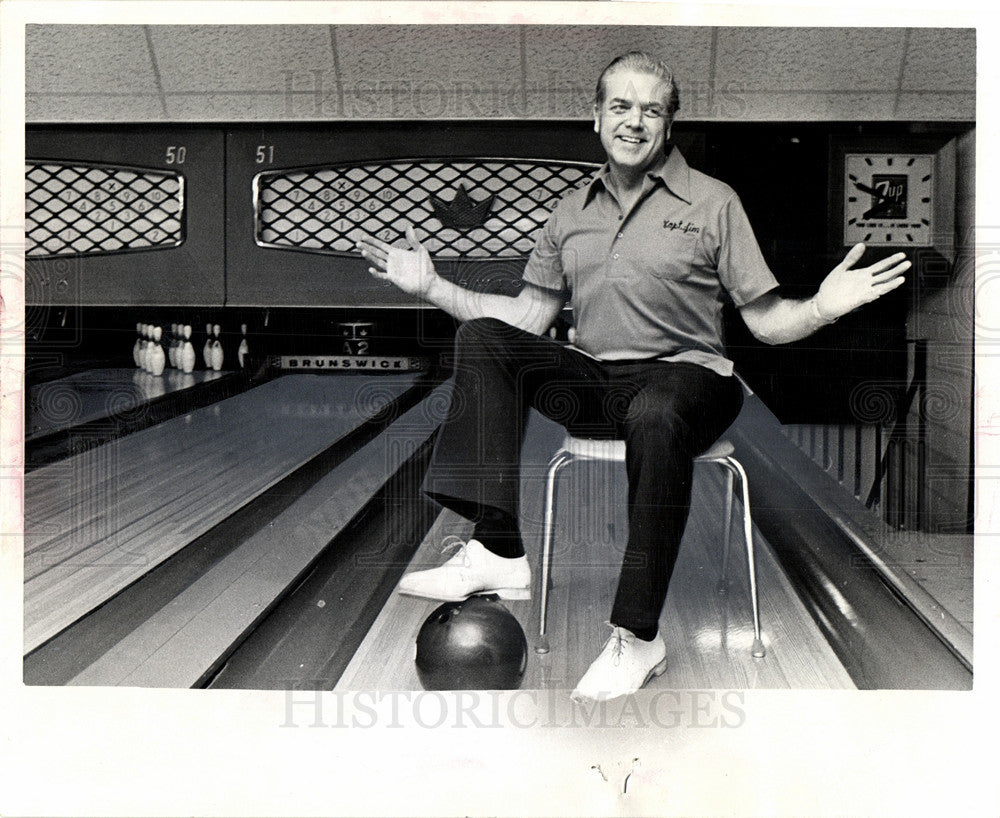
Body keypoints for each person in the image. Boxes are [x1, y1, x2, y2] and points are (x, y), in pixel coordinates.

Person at [357, 51, 909, 701]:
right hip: (599, 380)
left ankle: (638, 639)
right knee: (483, 336)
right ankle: (499, 551)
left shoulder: (714, 203)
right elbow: (529, 318)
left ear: (668, 126)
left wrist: (820, 306)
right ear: (597, 117)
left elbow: (764, 322)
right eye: (620, 106)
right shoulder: (570, 214)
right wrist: (435, 287)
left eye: (651, 109)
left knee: (656, 410)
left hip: (692, 379)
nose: (634, 121)